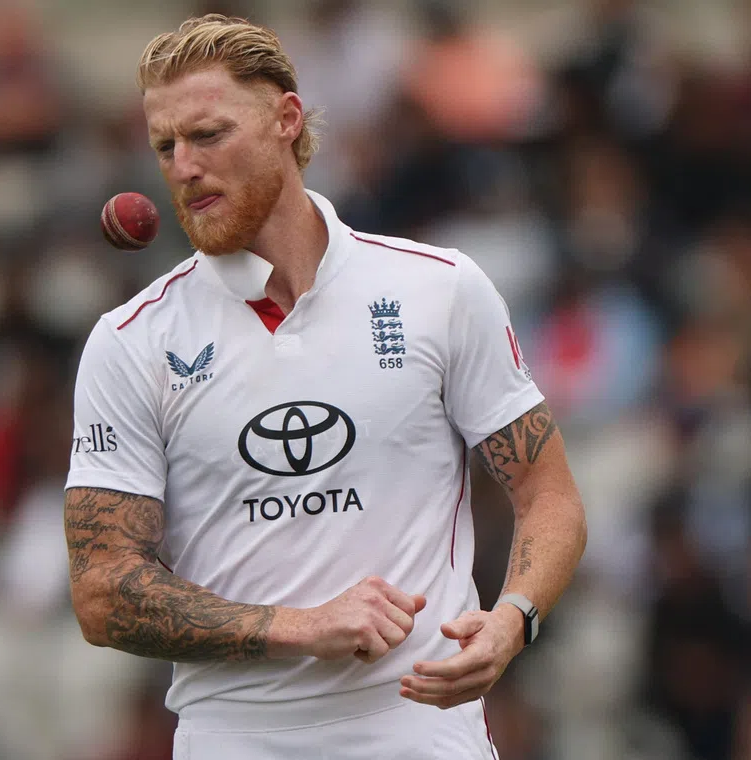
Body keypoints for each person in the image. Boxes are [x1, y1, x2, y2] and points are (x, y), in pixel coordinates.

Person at [64, 14, 587, 759]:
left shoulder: (438, 288)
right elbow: (102, 591)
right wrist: (298, 625)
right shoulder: (131, 340)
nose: (183, 166)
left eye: (208, 135)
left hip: (420, 729)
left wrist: (513, 620)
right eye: (165, 146)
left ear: (286, 119)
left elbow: (549, 494)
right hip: (234, 738)